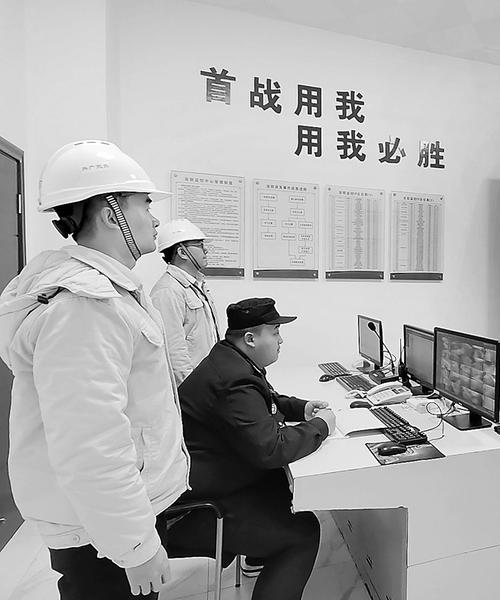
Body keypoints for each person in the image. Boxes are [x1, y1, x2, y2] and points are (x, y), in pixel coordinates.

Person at [0, 140, 188, 598]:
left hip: (107, 524)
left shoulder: (109, 292)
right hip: (102, 536)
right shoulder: (86, 307)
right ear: (110, 213)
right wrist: (135, 546)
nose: (155, 219)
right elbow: (91, 443)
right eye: (145, 204)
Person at [168, 297, 335, 600]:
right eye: (275, 332)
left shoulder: (230, 360)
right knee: (303, 532)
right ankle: (270, 551)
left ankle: (260, 555)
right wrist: (321, 427)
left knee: (283, 485)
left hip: (212, 480)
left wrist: (301, 408)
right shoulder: (233, 379)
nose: (281, 340)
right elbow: (271, 449)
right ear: (250, 338)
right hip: (197, 507)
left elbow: (266, 400)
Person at [151, 219, 220, 384]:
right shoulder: (168, 291)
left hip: (207, 380)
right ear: (182, 252)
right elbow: (173, 350)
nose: (206, 250)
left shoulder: (196, 285)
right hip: (191, 387)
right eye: (200, 245)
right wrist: (191, 389)